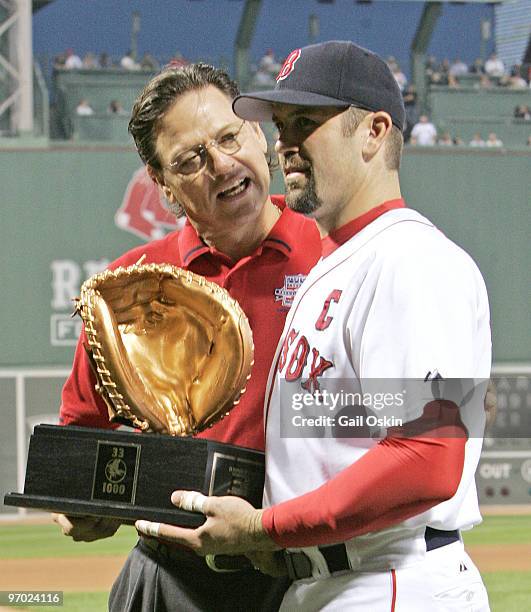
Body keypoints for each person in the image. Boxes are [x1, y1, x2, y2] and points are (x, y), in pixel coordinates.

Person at [138, 41, 492, 612]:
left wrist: (267, 526)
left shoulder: (412, 258)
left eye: (307, 121)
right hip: (324, 581)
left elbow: (429, 458)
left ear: (375, 131)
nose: (285, 143)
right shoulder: (336, 265)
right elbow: (362, 431)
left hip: (393, 580)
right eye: (280, 124)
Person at [53, 63, 321, 611]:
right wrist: (82, 501)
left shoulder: (335, 254)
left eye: (229, 137)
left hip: (302, 572)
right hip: (167, 576)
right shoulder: (128, 289)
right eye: (190, 160)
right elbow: (81, 438)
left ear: (259, 134)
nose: (221, 165)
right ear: (162, 185)